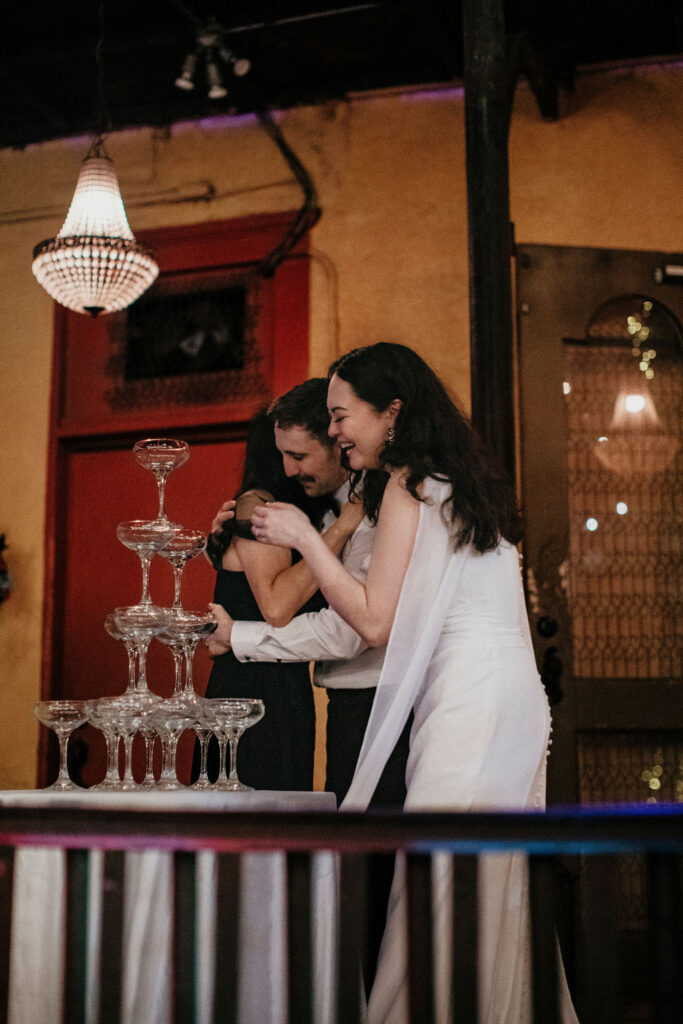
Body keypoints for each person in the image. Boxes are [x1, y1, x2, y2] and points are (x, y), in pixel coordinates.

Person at [246, 343, 579, 1023]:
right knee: (484, 883)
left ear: (390, 411)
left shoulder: (406, 484)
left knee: (441, 879)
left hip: (469, 701)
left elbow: (373, 622)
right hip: (501, 694)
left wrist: (306, 541)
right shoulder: (454, 477)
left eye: (341, 416)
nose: (334, 430)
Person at [200, 400, 361, 790]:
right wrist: (340, 530)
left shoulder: (302, 511)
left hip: (286, 683)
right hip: (251, 690)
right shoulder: (260, 505)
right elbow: (276, 607)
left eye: (300, 455)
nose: (293, 467)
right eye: (287, 454)